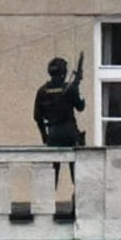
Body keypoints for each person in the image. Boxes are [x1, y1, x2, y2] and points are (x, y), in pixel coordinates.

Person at [33, 56, 85, 185]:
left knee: (51, 175)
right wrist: (77, 90)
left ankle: (48, 203)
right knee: (77, 173)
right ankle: (77, 202)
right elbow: (80, 107)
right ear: (63, 72)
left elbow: (37, 116)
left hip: (53, 133)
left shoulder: (42, 91)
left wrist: (44, 136)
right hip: (70, 132)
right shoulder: (70, 88)